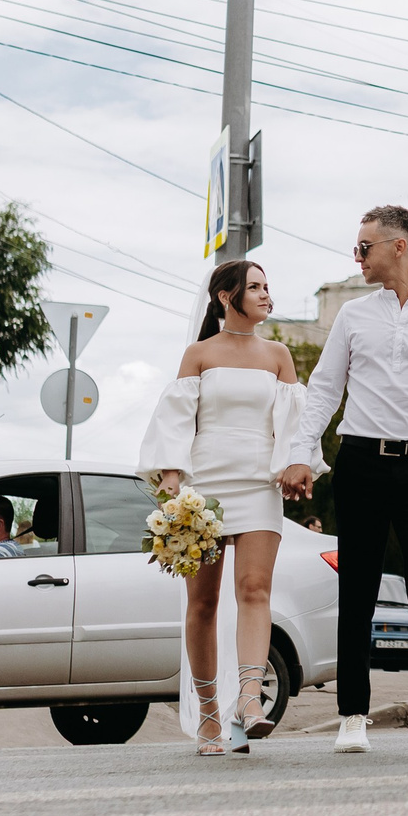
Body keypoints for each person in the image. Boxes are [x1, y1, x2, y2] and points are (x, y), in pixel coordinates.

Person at [282, 206, 408, 756]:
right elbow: (323, 390)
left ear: (399, 247)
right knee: (359, 591)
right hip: (361, 462)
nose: (358, 256)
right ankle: (352, 715)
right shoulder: (352, 316)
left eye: (365, 246)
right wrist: (303, 454)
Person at [140, 258, 313, 757]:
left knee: (255, 590)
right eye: (254, 287)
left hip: (260, 483)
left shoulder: (279, 355)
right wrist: (172, 480)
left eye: (266, 286)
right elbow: (176, 420)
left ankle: (250, 700)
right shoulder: (198, 354)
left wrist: (296, 466)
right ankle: (210, 714)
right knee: (204, 603)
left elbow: (292, 423)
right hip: (206, 489)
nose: (265, 294)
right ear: (225, 296)